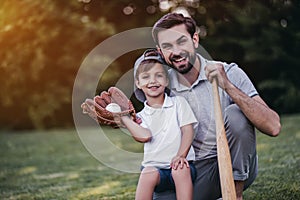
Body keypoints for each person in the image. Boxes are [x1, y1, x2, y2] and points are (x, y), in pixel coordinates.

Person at [141, 13, 281, 200]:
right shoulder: (162, 85)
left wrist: (228, 86)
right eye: (167, 46)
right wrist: (120, 117)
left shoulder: (229, 72)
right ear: (160, 51)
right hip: (193, 169)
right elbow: (147, 119)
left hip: (234, 164)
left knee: (235, 114)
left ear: (195, 39)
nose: (176, 51)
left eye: (181, 41)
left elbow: (273, 126)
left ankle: (234, 195)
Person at [121, 49, 198, 200]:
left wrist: (180, 156)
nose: (153, 81)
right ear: (138, 83)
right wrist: (124, 118)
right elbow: (144, 136)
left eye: (159, 75)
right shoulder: (140, 116)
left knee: (180, 169)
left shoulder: (178, 103)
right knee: (147, 173)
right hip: (157, 171)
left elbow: (188, 131)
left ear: (166, 80)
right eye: (145, 77)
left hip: (183, 165)